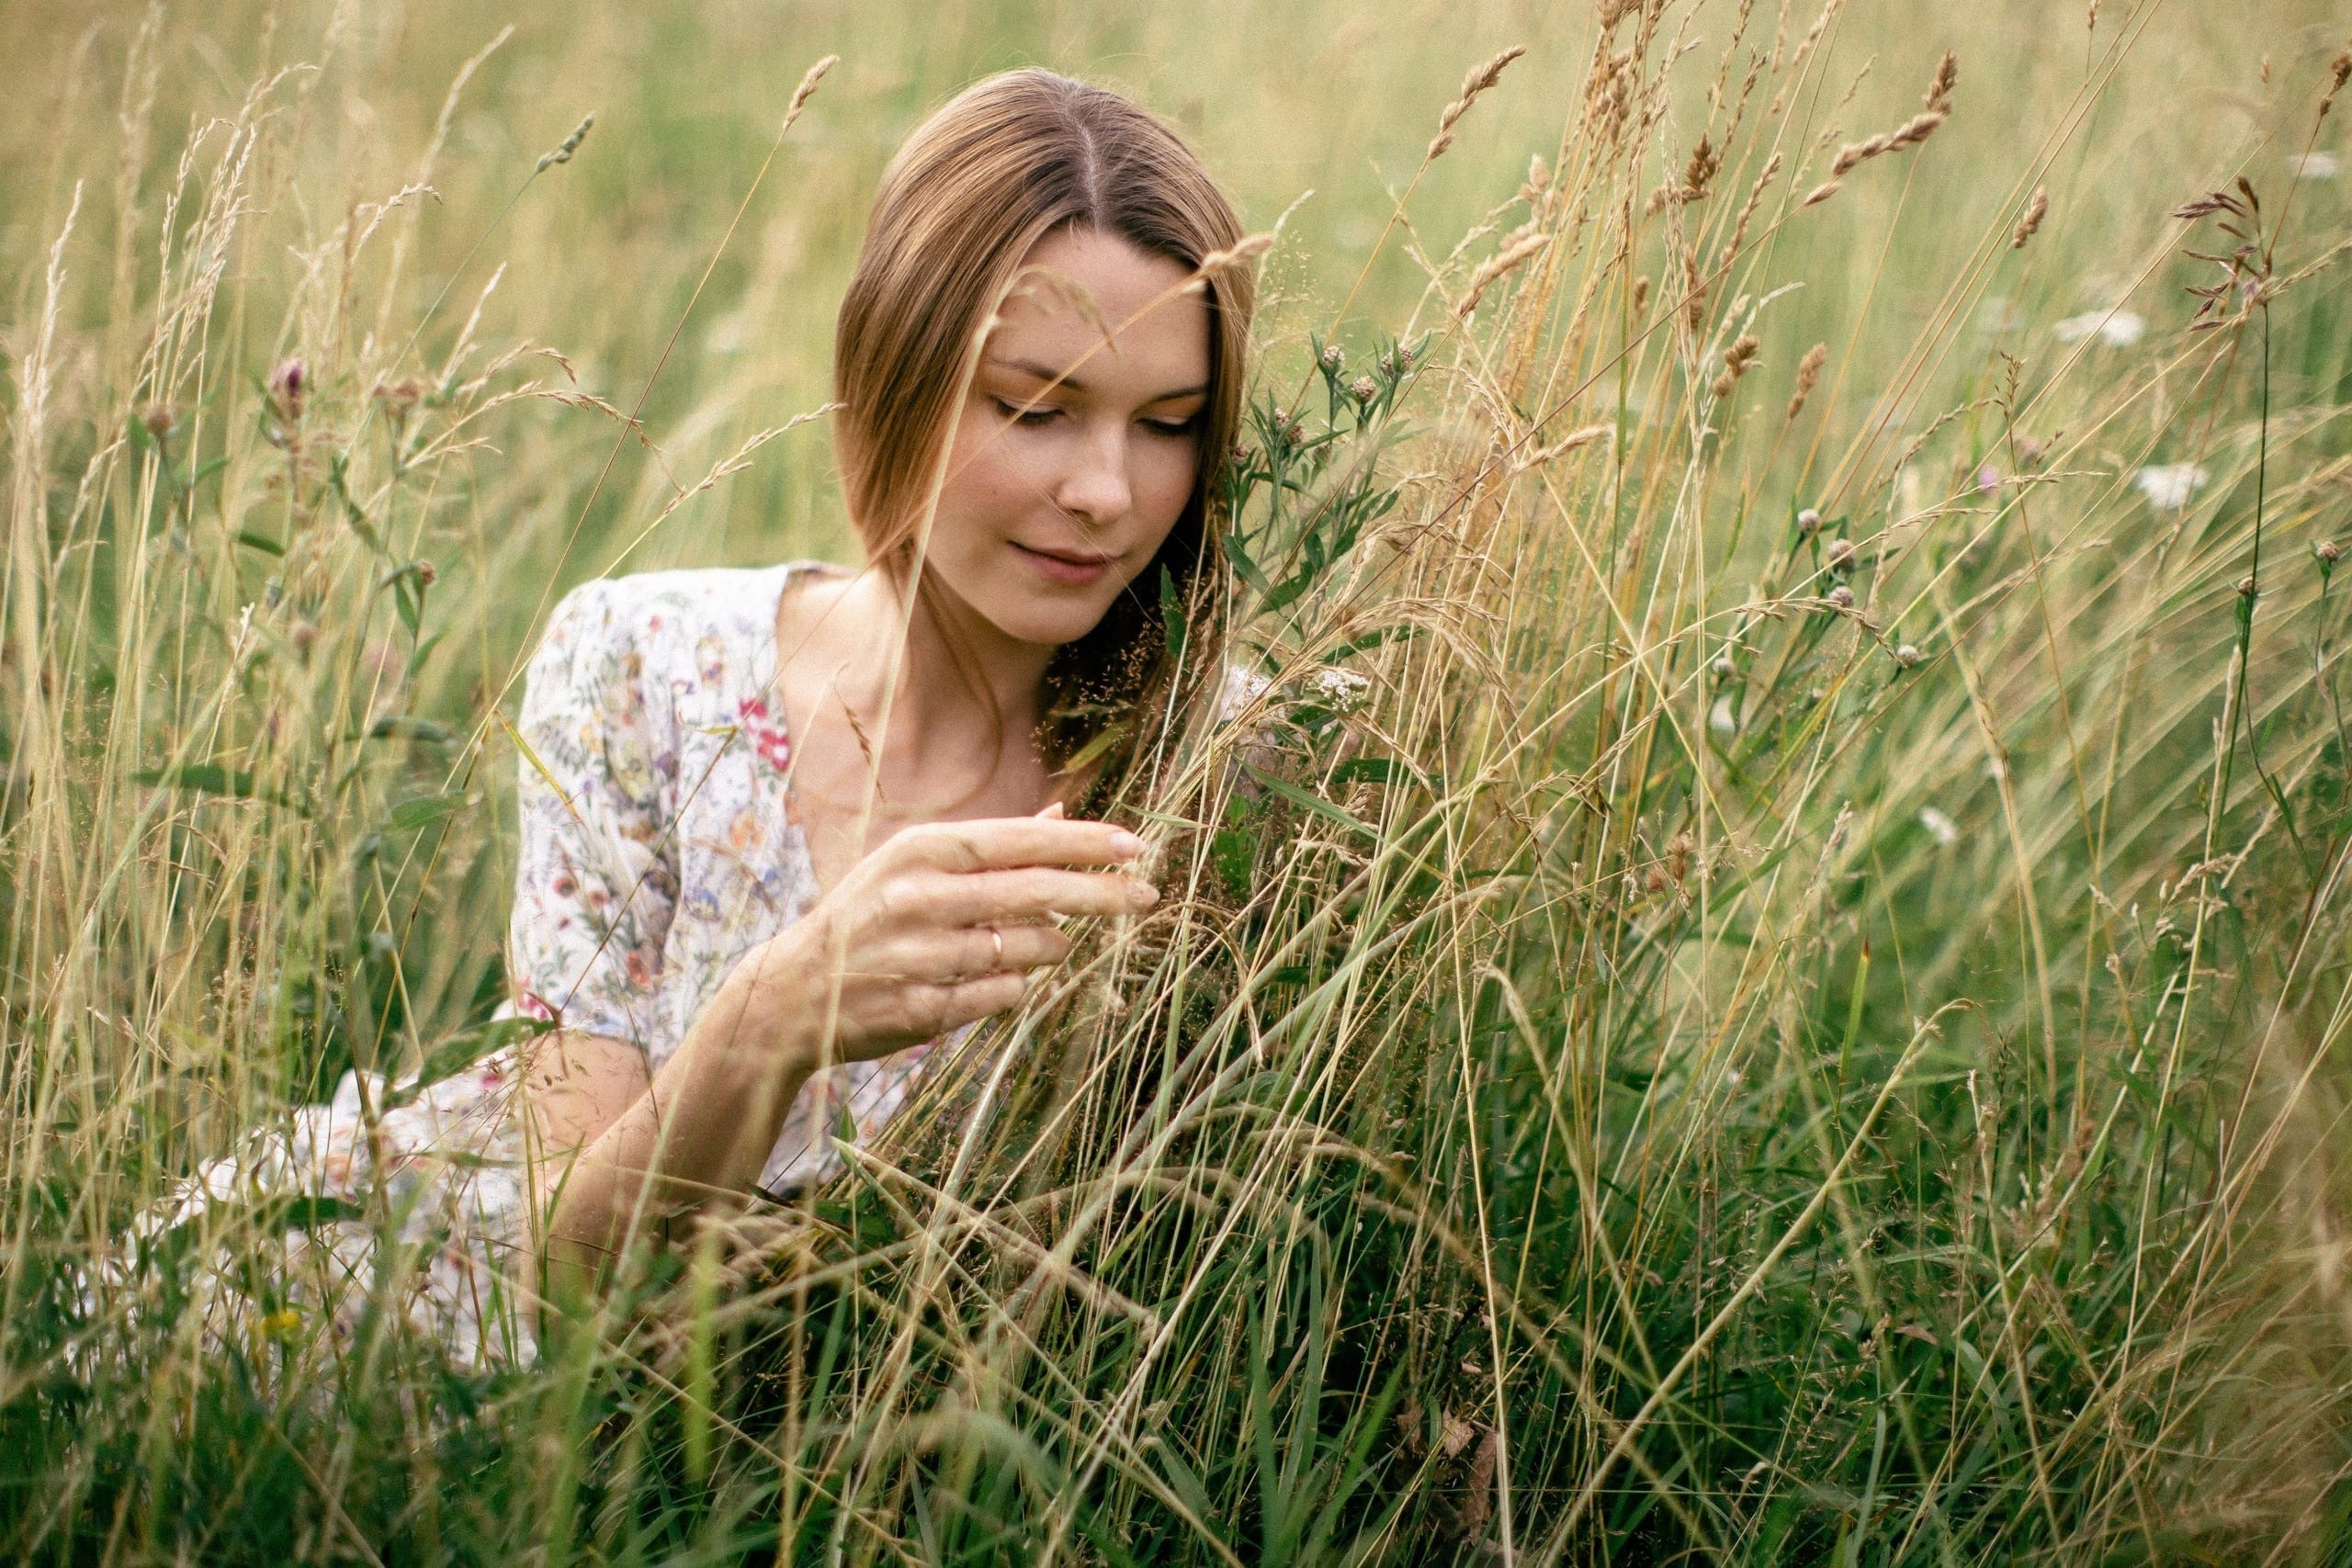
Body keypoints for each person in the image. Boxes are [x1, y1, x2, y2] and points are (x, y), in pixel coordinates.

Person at [139, 67, 1254, 1367]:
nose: (1109, 493)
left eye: (1167, 423)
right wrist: (774, 1016)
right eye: (1035, 408)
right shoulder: (643, 667)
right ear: (891, 373)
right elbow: (559, 1277)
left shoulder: (1221, 761)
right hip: (393, 1321)